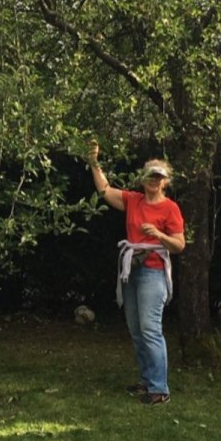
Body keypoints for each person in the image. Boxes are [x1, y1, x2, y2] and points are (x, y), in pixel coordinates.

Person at [88, 141, 186, 405]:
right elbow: (104, 190)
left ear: (165, 182)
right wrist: (93, 161)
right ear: (142, 178)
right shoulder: (133, 200)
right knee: (135, 329)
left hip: (153, 272)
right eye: (150, 175)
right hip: (131, 270)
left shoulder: (170, 209)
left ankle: (159, 388)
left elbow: (179, 245)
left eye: (159, 177)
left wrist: (159, 235)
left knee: (150, 328)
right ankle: (146, 381)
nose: (154, 180)